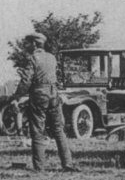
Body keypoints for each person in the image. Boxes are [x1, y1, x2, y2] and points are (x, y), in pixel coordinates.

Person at [10, 33, 79, 172]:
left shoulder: (33, 58)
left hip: (39, 94)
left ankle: (39, 167)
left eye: (27, 43)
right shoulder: (51, 57)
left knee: (37, 130)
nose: (25, 46)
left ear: (35, 44)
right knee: (59, 130)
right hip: (54, 94)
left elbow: (26, 81)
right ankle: (67, 164)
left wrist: (16, 97)